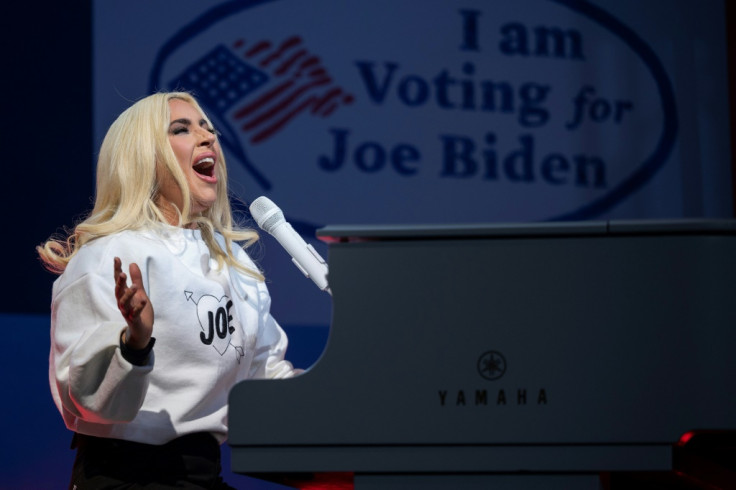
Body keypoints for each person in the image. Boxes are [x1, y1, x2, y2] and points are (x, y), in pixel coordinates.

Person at [37, 91, 300, 489]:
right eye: (182, 129)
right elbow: (88, 402)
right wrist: (134, 342)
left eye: (209, 128)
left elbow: (266, 378)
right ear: (145, 157)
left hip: (204, 475)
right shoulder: (111, 254)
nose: (209, 137)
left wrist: (342, 392)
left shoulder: (237, 266)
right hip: (123, 478)